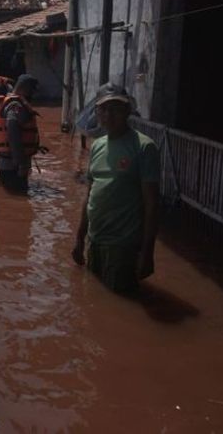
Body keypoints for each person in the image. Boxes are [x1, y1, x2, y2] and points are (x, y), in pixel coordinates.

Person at [72, 82, 160, 293]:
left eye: (116, 108)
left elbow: (152, 205)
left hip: (123, 246)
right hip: (95, 240)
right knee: (94, 299)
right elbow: (90, 194)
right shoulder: (97, 145)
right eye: (104, 109)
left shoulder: (144, 147)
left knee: (121, 301)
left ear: (128, 111)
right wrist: (79, 238)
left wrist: (147, 253)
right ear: (97, 113)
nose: (109, 115)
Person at [0, 74, 41, 192]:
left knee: (7, 200)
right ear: (24, 89)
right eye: (31, 91)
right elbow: (12, 129)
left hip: (7, 162)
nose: (33, 94)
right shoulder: (16, 105)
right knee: (18, 197)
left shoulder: (10, 101)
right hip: (12, 165)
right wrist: (20, 163)